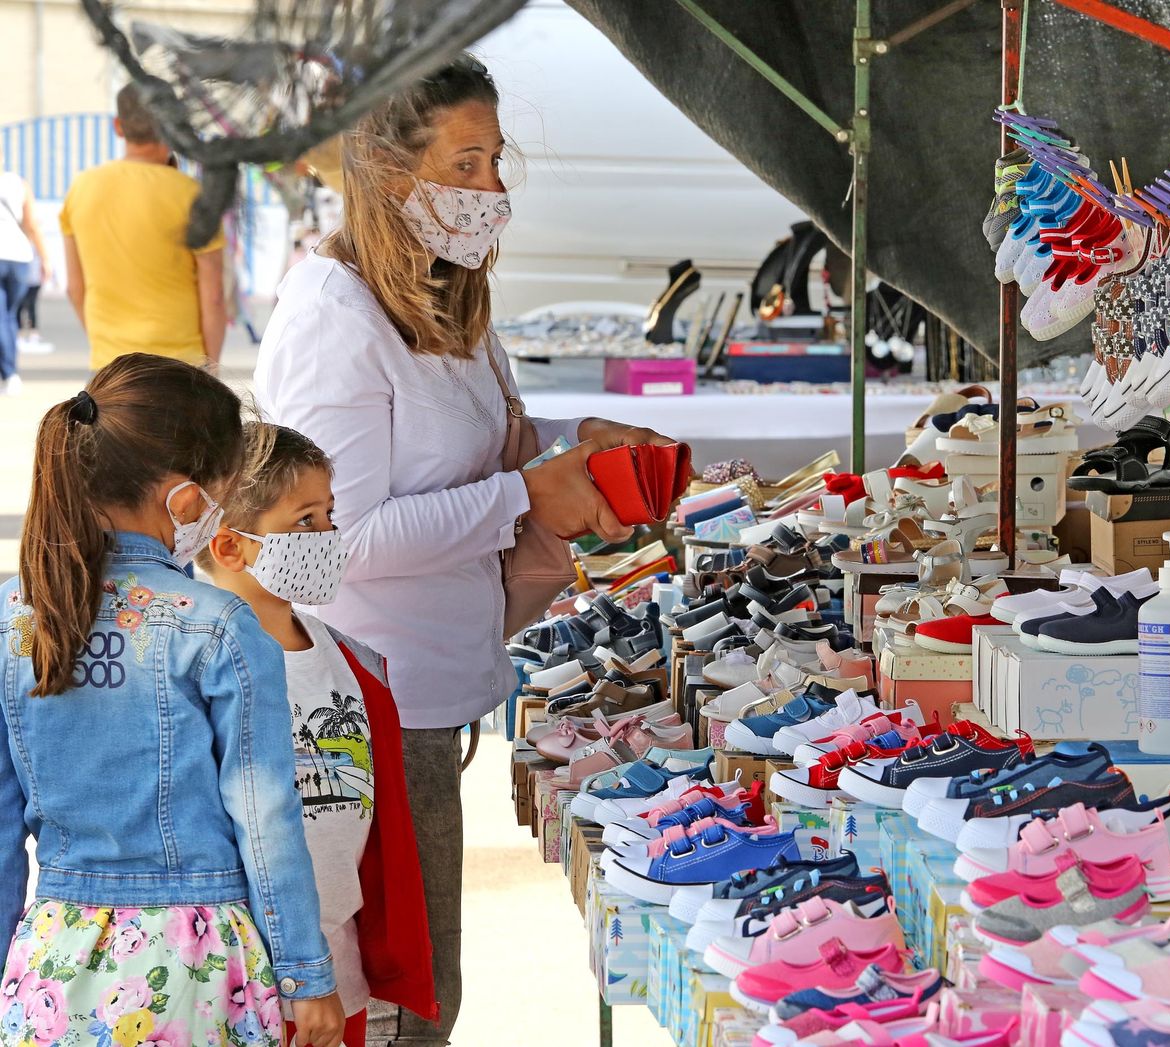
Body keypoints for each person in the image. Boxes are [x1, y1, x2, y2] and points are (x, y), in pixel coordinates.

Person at [254, 55, 677, 1045]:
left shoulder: (443, 298)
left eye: (496, 160)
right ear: (389, 173)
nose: (492, 189)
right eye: (466, 162)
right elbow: (334, 544)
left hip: (430, 698)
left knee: (421, 994)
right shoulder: (333, 319)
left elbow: (484, 446)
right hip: (371, 710)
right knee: (405, 1005)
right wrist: (526, 492)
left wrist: (577, 444)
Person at [0, 355, 345, 1047]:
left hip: (53, 966)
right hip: (196, 964)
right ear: (185, 501)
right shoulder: (217, 624)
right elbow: (265, 815)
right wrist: (305, 976)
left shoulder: (16, 618)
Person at [200, 424, 437, 1045]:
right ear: (230, 547)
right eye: (305, 520)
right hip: (230, 981)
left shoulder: (355, 664)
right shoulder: (197, 667)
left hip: (337, 974)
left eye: (330, 515)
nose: (328, 537)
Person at [59, 85, 227, 372]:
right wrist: (209, 371)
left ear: (118, 126)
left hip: (111, 367)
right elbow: (214, 297)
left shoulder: (82, 188)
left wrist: (105, 348)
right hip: (180, 367)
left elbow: (75, 289)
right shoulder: (193, 195)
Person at [0, 168, 49, 394]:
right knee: (9, 316)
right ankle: (11, 374)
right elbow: (31, 224)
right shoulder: (18, 183)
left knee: (3, 318)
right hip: (19, 257)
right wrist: (45, 258)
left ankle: (9, 373)